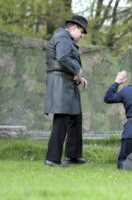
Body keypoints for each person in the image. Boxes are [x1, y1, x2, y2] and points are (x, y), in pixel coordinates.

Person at [44, 15, 89, 167]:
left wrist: (79, 77)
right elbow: (62, 57)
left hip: (69, 81)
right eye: (82, 32)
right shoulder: (62, 37)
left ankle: (73, 155)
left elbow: (67, 60)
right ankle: (52, 159)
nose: (82, 36)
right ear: (74, 27)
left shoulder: (68, 39)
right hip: (60, 83)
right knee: (61, 119)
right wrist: (78, 70)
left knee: (75, 118)